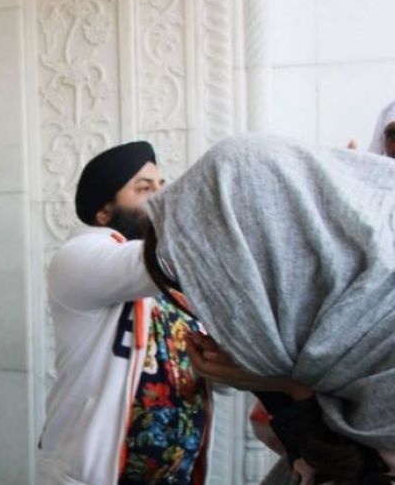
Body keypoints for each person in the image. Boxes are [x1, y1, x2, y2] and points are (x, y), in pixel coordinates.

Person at [143, 134, 395, 484]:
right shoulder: (344, 338)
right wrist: (281, 386)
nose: (219, 326)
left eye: (221, 302)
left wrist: (284, 386)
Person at [36, 141, 214, 485]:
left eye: (163, 187)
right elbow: (157, 260)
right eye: (144, 189)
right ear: (104, 211)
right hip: (95, 473)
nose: (162, 198)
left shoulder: (173, 282)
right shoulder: (79, 256)